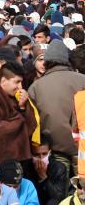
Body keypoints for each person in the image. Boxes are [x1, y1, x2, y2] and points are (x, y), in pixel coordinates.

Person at [28, 40, 85, 175]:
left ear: (47, 61)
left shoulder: (36, 87)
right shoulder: (82, 80)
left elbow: (33, 122)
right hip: (81, 147)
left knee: (59, 191)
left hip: (54, 149)